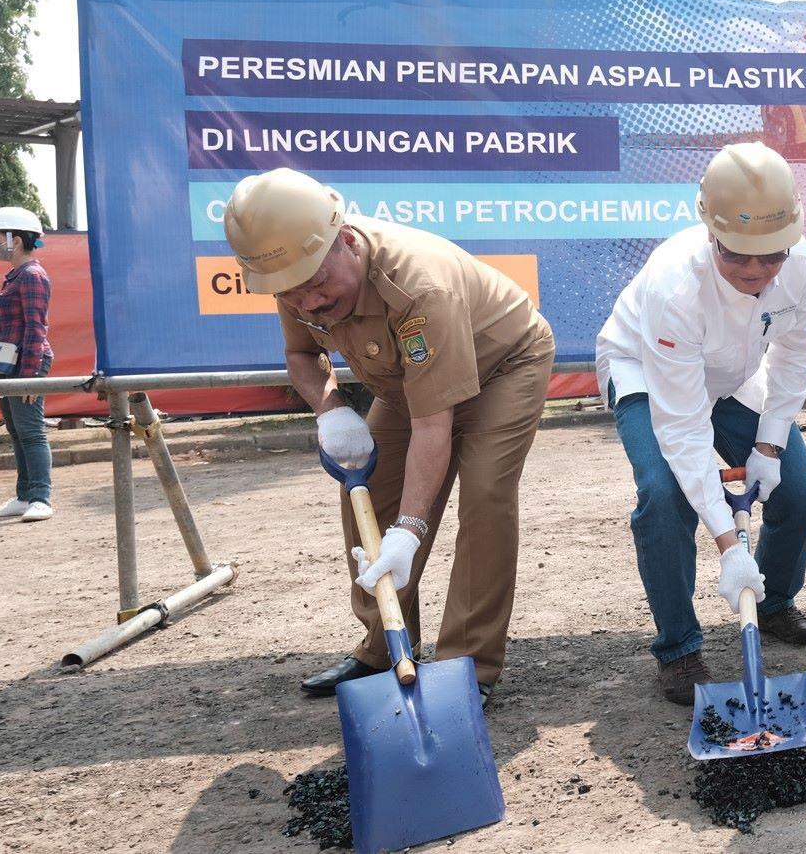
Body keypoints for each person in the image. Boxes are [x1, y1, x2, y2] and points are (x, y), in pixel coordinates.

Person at [222, 168, 556, 701]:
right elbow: (301, 355)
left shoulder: (419, 286)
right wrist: (330, 409)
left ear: (347, 241)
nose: (307, 303)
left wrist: (412, 528)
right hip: (411, 384)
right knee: (368, 494)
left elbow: (433, 425)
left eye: (315, 286)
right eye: (291, 293)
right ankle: (383, 648)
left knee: (486, 494)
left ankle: (466, 666)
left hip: (504, 367)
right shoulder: (295, 271)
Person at [596, 142, 806, 706]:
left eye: (770, 255)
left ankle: (772, 604)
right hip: (649, 373)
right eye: (737, 255)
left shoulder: (802, 265)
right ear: (710, 232)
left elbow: (795, 357)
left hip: (734, 377)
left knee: (800, 493)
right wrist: (729, 544)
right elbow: (682, 428)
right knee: (664, 496)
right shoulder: (676, 286)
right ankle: (678, 649)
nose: (755, 270)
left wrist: (769, 447)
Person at [0, 207, 54, 523]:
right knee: (16, 430)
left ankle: (40, 498)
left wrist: (30, 376)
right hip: (8, 360)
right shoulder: (16, 275)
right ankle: (24, 497)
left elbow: (37, 327)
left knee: (31, 431)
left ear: (14, 239)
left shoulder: (33, 275)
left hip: (26, 362)